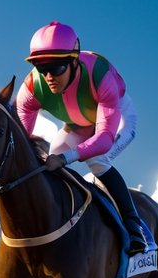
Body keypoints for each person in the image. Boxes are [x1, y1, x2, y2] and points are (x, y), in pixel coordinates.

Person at [15, 21, 146, 255]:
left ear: (74, 60)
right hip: (77, 124)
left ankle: (134, 226)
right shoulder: (31, 87)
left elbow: (105, 138)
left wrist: (66, 158)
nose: (47, 76)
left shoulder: (100, 74)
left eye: (55, 68)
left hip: (117, 121)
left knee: (98, 161)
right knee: (49, 163)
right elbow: (21, 140)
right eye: (39, 66)